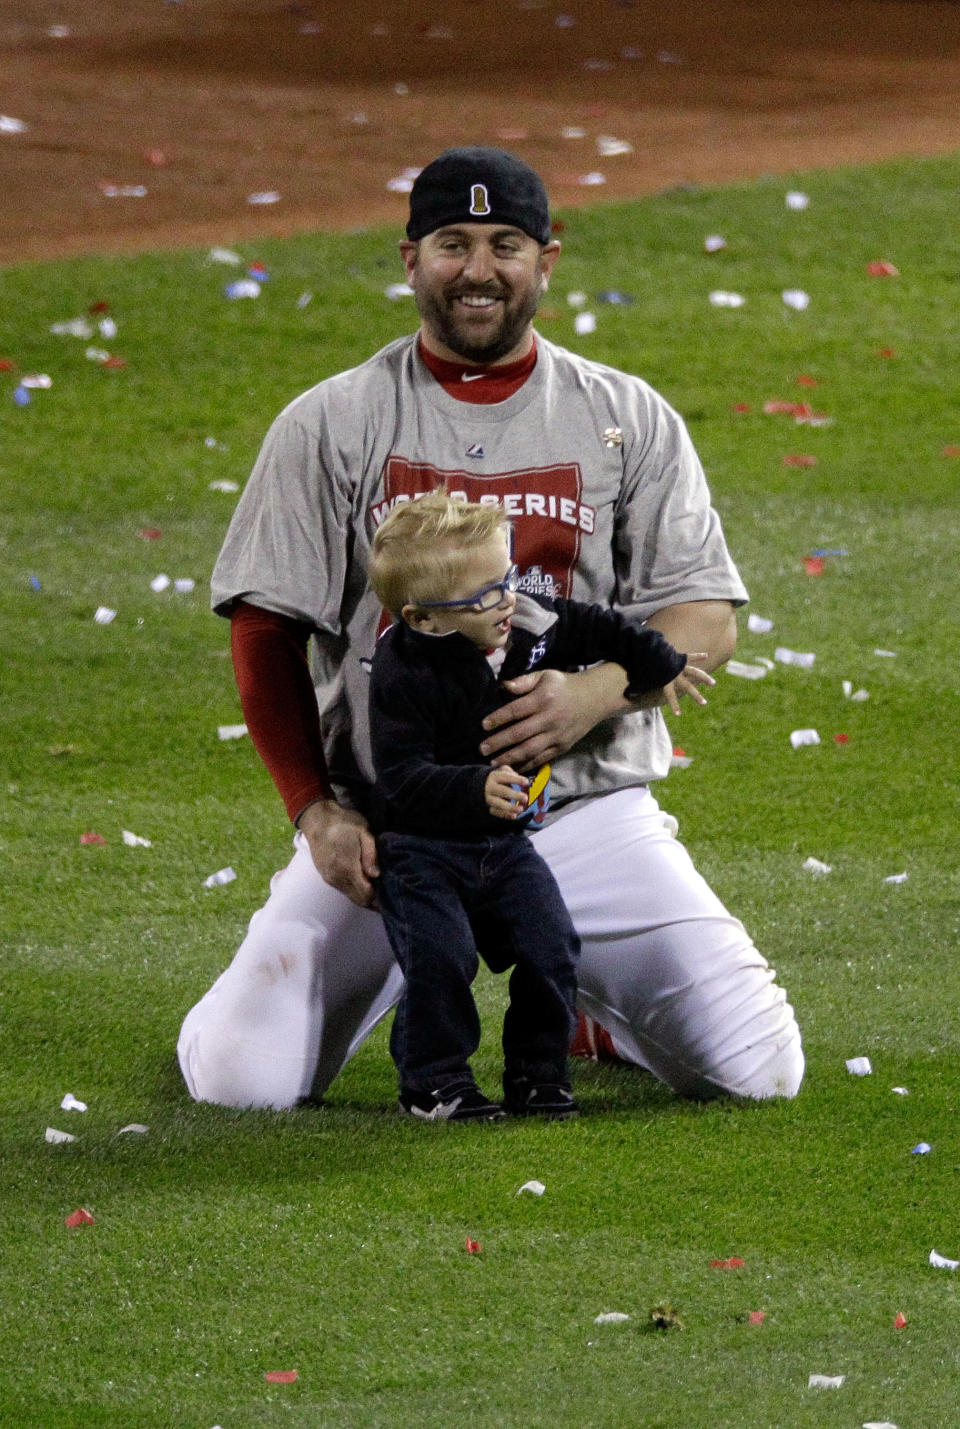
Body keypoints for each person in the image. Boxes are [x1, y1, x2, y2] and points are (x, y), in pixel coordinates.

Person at [177, 145, 804, 1111]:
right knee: (237, 1079)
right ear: (409, 259)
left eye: (504, 244)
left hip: (583, 812)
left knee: (760, 1069)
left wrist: (592, 694)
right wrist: (316, 812)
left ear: (546, 260)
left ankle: (591, 1001)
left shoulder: (625, 416)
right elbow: (265, 632)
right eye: (452, 244)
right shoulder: (333, 422)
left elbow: (704, 615)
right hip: (394, 835)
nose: (478, 270)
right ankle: (414, 960)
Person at [367, 491, 711, 1121]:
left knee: (551, 944)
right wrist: (473, 789)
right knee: (441, 958)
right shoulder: (402, 668)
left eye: (506, 581)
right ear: (423, 620)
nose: (507, 602)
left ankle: (539, 1074)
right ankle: (434, 1081)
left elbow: (599, 627)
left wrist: (662, 662)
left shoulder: (521, 620)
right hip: (423, 851)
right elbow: (400, 776)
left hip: (503, 845)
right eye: (485, 596)